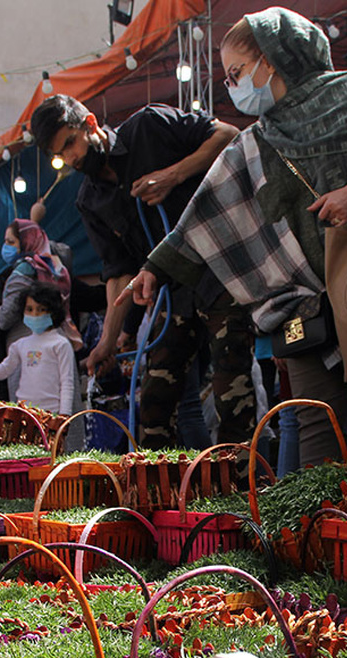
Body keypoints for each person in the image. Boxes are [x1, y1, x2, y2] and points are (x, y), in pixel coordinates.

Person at [125, 7, 347, 493]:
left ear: (273, 58)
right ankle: (321, 541)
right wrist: (156, 267)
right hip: (297, 301)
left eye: (237, 72)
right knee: (314, 418)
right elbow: (207, 211)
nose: (234, 85)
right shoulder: (254, 142)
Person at [30, 94, 256, 449]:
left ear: (90, 124)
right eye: (62, 155)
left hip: (219, 272)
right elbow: (118, 273)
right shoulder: (89, 200)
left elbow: (227, 134)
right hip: (173, 292)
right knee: (153, 401)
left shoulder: (148, 125)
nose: (72, 158)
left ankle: (245, 490)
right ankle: (159, 493)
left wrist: (173, 174)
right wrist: (107, 342)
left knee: (233, 397)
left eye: (71, 144)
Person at [0, 218, 81, 397]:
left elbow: (5, 318)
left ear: (27, 241)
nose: (6, 247)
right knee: (63, 408)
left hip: (27, 357)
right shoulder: (56, 268)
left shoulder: (21, 274)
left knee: (32, 417)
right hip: (59, 344)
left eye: (11, 242)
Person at [0, 285, 76, 416]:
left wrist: (64, 415)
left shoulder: (61, 344)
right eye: (29, 309)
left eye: (41, 310)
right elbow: (2, 371)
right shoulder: (20, 345)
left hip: (51, 413)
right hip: (24, 412)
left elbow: (67, 382)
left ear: (53, 312)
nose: (34, 314)